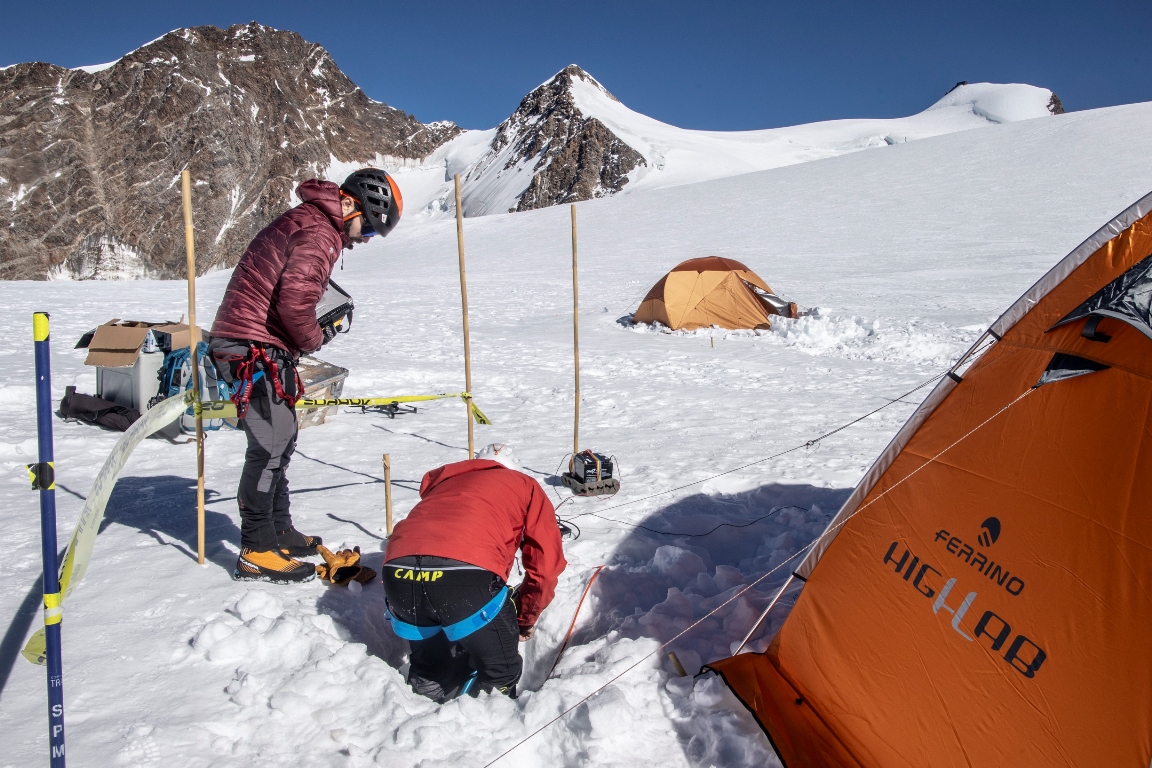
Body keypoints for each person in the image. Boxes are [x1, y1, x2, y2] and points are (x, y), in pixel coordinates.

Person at [208, 168, 403, 583]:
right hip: (251, 346)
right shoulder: (319, 232)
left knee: (282, 438)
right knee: (269, 444)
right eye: (368, 226)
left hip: (258, 343)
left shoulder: (312, 222)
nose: (365, 238)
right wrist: (315, 336)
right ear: (349, 204)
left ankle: (278, 528)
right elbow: (295, 303)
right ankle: (257, 549)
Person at [383, 444, 567, 701]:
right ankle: (487, 728)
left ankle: (417, 719)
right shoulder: (524, 485)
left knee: (430, 669)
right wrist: (523, 618)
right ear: (515, 470)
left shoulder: (446, 483)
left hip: (398, 575)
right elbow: (545, 567)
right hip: (465, 578)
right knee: (501, 672)